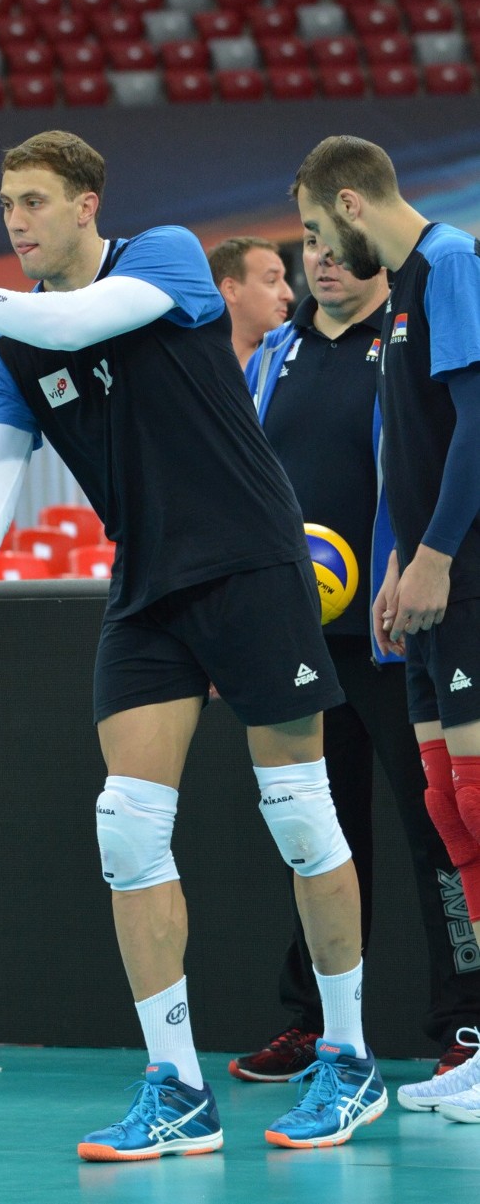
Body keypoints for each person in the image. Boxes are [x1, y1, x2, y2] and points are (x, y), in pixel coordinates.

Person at [0, 130, 387, 1155]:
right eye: (7, 203)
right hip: (147, 585)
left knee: (303, 817)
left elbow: (89, 317)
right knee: (128, 830)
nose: (16, 220)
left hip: (256, 563)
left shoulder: (166, 259)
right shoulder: (15, 350)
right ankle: (176, 1085)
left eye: (36, 202)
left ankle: (350, 1059)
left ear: (89, 204)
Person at [215, 231, 480, 1085]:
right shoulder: (274, 356)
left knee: (439, 833)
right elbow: (246, 489)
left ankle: (467, 1024)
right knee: (318, 840)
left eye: (337, 246)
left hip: (398, 638)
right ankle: (321, 1026)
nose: (321, 262)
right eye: (311, 249)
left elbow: (432, 465)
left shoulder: (402, 342)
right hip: (299, 643)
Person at [292, 134, 480, 1123]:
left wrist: (439, 550)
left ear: (354, 204)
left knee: (476, 808)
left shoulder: (450, 264)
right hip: (423, 586)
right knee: (450, 810)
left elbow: (478, 420)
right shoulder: (408, 284)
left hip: (466, 581)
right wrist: (402, 551)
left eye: (322, 230)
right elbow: (413, 441)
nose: (316, 252)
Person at [206, 237, 294, 368]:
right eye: (271, 280)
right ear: (231, 290)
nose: (288, 295)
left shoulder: (292, 367)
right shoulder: (189, 367)